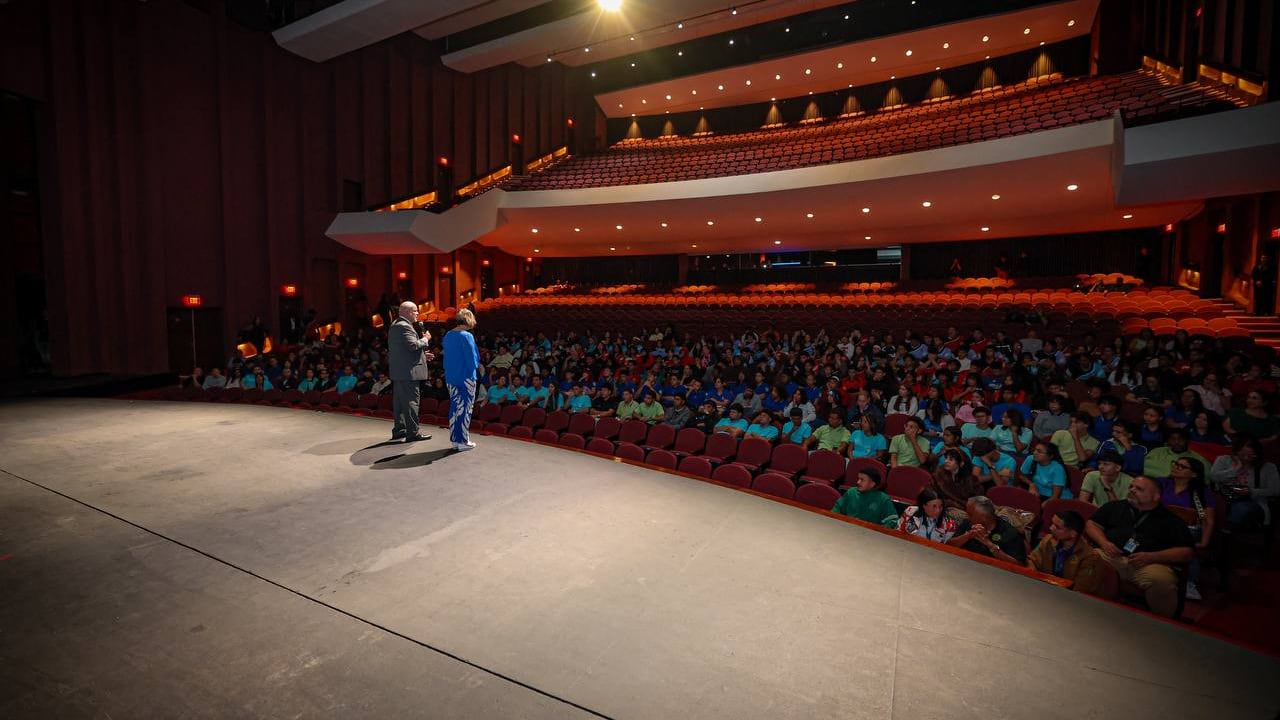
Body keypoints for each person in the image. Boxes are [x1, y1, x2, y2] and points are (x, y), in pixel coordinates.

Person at [1086, 475, 1195, 617]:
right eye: (1131, 486)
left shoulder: (1170, 520)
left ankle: (1163, 624)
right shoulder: (1115, 506)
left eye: (1139, 489)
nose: (1132, 490)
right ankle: (1090, 609)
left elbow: (1187, 552)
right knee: (1087, 559)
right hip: (1112, 557)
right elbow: (1092, 524)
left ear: (1155, 496)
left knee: (1161, 581)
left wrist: (1153, 556)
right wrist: (1104, 543)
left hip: (1149, 564)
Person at [1159, 457, 1215, 600]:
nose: (1176, 467)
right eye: (1176, 464)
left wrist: (1204, 543)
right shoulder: (1162, 483)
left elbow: (1208, 520)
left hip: (1187, 529)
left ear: (1194, 474)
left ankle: (1189, 583)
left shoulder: (1202, 492)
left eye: (1182, 467)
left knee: (1188, 543)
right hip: (1160, 524)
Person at [389, 301, 434, 444]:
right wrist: (425, 339)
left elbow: (403, 350)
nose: (417, 314)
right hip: (409, 373)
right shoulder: (404, 326)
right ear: (408, 312)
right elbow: (413, 345)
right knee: (411, 402)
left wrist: (423, 356)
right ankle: (413, 433)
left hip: (401, 371)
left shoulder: (396, 325)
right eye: (415, 311)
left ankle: (400, 430)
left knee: (400, 403)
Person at [1028, 510, 1104, 594]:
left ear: (1073, 534)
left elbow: (1080, 590)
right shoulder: (1048, 540)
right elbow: (1032, 561)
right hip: (1041, 590)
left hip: (1068, 599)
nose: (1051, 528)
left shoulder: (1090, 557)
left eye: (1057, 527)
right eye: (1052, 523)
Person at [1211, 437, 1280, 528]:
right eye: (1243, 454)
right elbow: (1213, 477)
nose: (1246, 458)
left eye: (1251, 455)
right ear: (1236, 452)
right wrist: (1236, 469)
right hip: (1225, 500)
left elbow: (1275, 490)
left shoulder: (1268, 467)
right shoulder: (1223, 460)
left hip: (1253, 502)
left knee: (1242, 509)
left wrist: (1252, 491)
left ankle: (1227, 529)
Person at [948, 495, 1028, 564]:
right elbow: (948, 545)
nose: (967, 516)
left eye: (970, 514)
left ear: (983, 517)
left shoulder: (1009, 533)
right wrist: (968, 536)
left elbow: (1018, 565)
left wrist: (989, 544)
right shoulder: (968, 523)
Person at [442, 308, 480, 451]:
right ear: (469, 320)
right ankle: (463, 441)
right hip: (466, 377)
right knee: (466, 408)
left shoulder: (448, 335)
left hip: (451, 377)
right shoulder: (467, 336)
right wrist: (477, 368)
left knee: (455, 406)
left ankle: (455, 440)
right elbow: (472, 359)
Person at [831, 468, 900, 529]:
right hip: (847, 528)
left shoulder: (883, 499)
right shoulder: (851, 492)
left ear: (872, 484)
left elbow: (892, 520)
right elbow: (837, 508)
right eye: (858, 479)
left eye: (862, 480)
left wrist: (879, 532)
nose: (858, 482)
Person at [1142, 428, 1208, 478]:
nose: (1176, 442)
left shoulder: (1199, 459)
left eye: (1180, 439)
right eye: (1173, 439)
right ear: (1168, 441)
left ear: (1187, 440)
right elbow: (1146, 470)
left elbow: (1205, 478)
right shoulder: (1156, 452)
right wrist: (1167, 477)